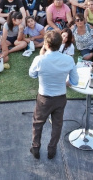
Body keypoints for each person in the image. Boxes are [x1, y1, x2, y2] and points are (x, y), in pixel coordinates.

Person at [29, 30, 78, 160]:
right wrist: (64, 82)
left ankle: (35, 147)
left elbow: (32, 75)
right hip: (60, 97)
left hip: (44, 98)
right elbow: (74, 81)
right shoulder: (68, 59)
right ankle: (52, 150)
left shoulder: (39, 59)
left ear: (46, 44)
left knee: (38, 123)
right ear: (61, 43)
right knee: (57, 125)